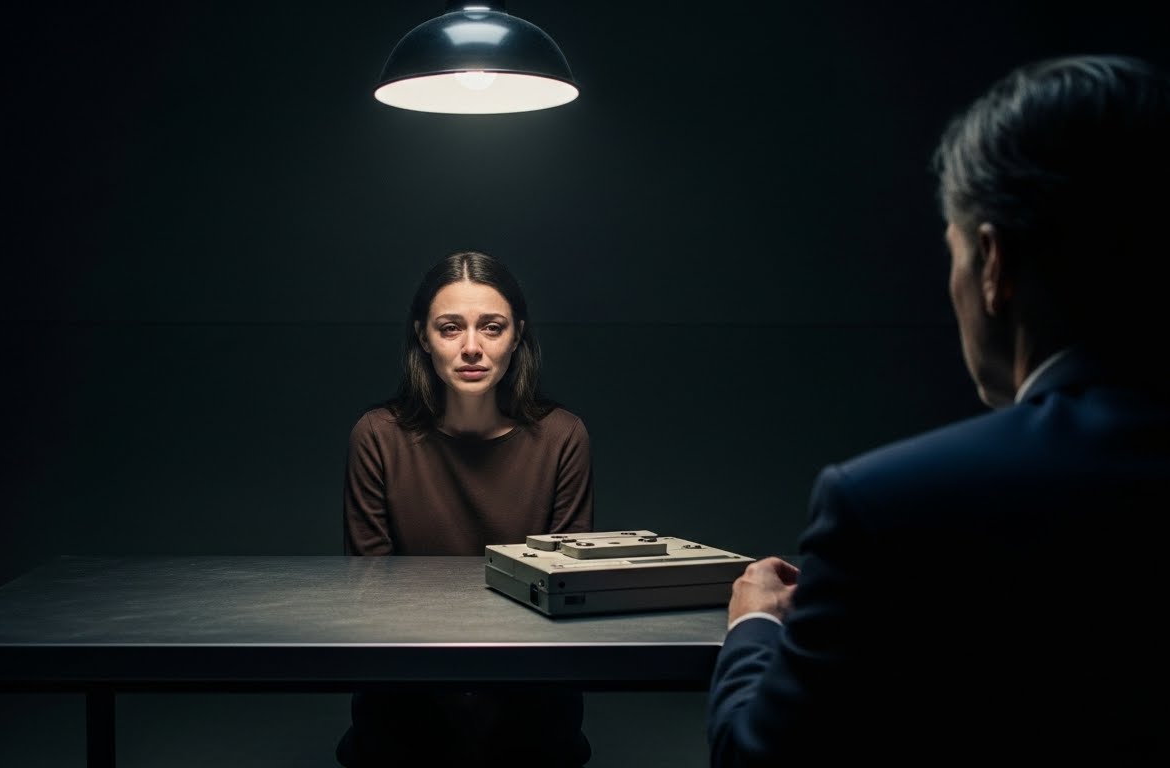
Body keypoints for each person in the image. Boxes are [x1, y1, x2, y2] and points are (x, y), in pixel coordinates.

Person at [706, 54, 1170, 767]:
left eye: (952, 252)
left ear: (991, 264)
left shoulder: (889, 506)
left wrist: (755, 630)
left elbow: (757, 758)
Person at [338, 250, 595, 767]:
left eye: (492, 328)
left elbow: (563, 589)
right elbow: (371, 590)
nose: (472, 348)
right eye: (451, 328)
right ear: (422, 337)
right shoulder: (378, 436)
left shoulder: (563, 435)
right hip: (406, 695)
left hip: (530, 696)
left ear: (517, 335)